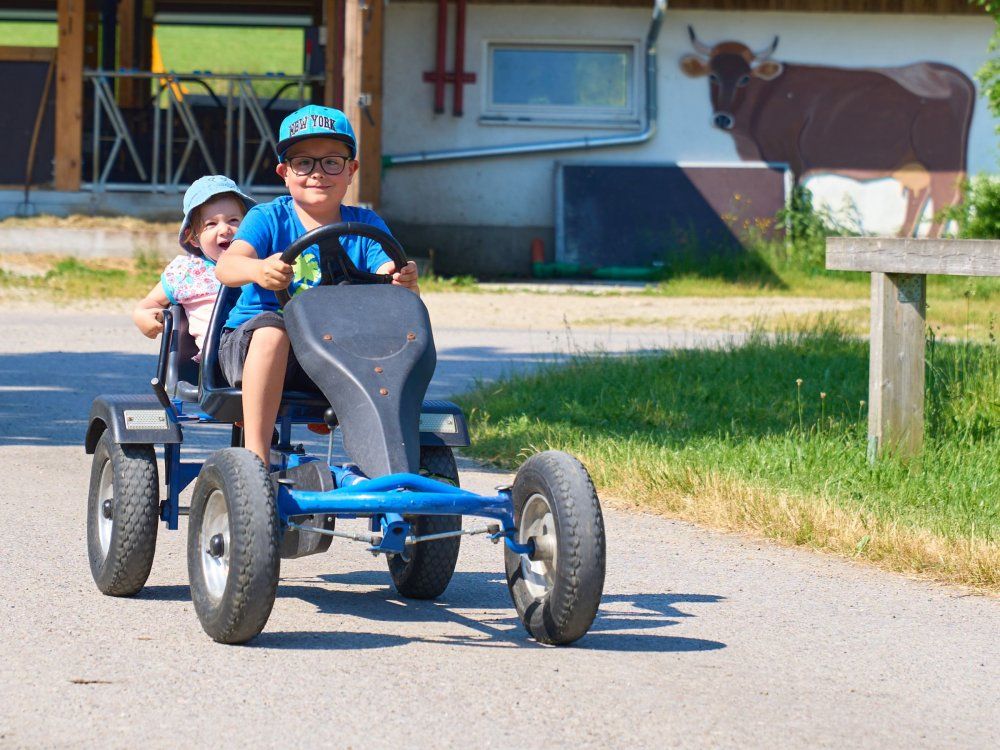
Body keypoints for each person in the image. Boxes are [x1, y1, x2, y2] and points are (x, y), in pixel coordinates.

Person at [215, 105, 419, 466]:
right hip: (251, 347)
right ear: (284, 172)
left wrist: (400, 279)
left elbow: (390, 273)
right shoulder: (268, 218)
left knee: (392, 339)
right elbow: (228, 266)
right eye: (304, 163)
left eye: (331, 162)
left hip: (334, 352)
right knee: (274, 329)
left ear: (351, 170)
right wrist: (260, 269)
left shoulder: (365, 225)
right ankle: (256, 459)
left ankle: (390, 466)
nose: (317, 174)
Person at [132, 175, 255, 356]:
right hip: (221, 357)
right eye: (211, 224)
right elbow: (152, 302)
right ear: (194, 238)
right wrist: (143, 315)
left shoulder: (259, 263)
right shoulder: (186, 271)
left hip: (266, 340)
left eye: (234, 221)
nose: (225, 229)